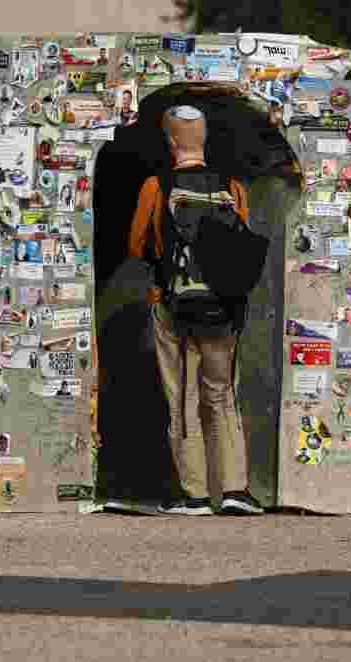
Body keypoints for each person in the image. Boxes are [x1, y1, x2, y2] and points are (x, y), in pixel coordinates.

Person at [127, 104, 263, 516]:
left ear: (171, 142)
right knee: (222, 395)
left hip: (174, 308)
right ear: (204, 140)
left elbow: (138, 246)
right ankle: (236, 490)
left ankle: (195, 496)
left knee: (183, 396)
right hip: (223, 312)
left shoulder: (157, 186)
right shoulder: (234, 189)